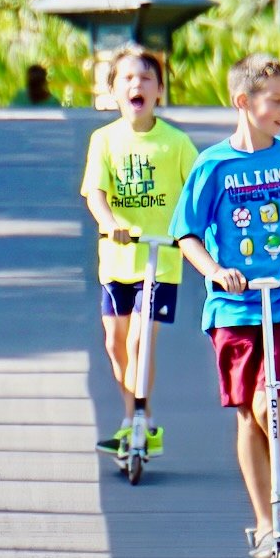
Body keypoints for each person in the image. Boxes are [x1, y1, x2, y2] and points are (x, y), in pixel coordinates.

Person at [172, 53, 280, 558]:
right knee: (249, 411)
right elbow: (187, 233)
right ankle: (267, 521)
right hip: (233, 305)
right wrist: (214, 270)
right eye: (276, 101)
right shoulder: (214, 165)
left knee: (275, 399)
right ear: (243, 102)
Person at [81, 47, 198, 459]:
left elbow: (198, 192)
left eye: (147, 78)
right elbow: (95, 193)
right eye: (127, 79)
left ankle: (141, 420)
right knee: (115, 343)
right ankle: (133, 416)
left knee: (139, 341)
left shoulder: (176, 143)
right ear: (113, 91)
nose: (137, 85)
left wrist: (195, 233)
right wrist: (110, 222)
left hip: (160, 261)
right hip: (117, 261)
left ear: (159, 91)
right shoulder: (104, 140)